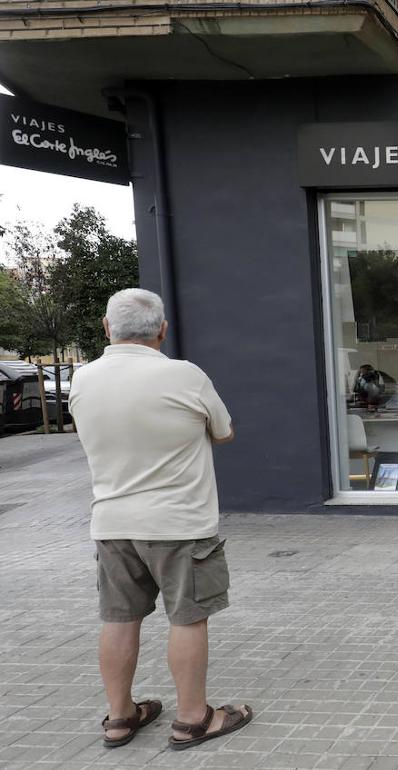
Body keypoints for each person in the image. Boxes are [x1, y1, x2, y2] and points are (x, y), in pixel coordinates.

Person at [67, 289, 254, 750]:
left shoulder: (83, 379)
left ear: (107, 328)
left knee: (118, 619)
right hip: (179, 524)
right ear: (162, 330)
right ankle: (193, 719)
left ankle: (120, 716)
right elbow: (224, 432)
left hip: (112, 523)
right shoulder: (184, 376)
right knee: (187, 619)